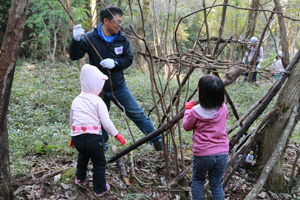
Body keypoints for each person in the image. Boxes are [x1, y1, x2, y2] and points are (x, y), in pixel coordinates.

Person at [69, 6, 162, 151]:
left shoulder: (122, 38)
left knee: (137, 113)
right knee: (99, 118)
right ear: (106, 21)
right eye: (116, 22)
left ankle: (157, 139)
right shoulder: (91, 38)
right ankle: (102, 145)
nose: (119, 25)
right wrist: (75, 40)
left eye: (121, 21)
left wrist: (115, 63)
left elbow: (128, 59)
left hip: (119, 86)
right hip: (97, 90)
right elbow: (75, 55)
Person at [70, 64, 126, 196]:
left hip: (78, 137)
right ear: (94, 84)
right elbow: (106, 122)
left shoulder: (76, 100)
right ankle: (100, 188)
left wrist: (72, 137)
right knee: (99, 162)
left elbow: (72, 120)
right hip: (93, 138)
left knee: (82, 156)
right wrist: (116, 135)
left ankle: (80, 178)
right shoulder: (98, 101)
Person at [182, 74, 229, 200]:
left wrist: (188, 109)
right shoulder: (223, 107)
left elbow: (186, 126)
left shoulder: (195, 111)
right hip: (222, 153)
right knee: (216, 184)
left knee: (198, 180)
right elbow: (225, 117)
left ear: (201, 94)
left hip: (203, 154)